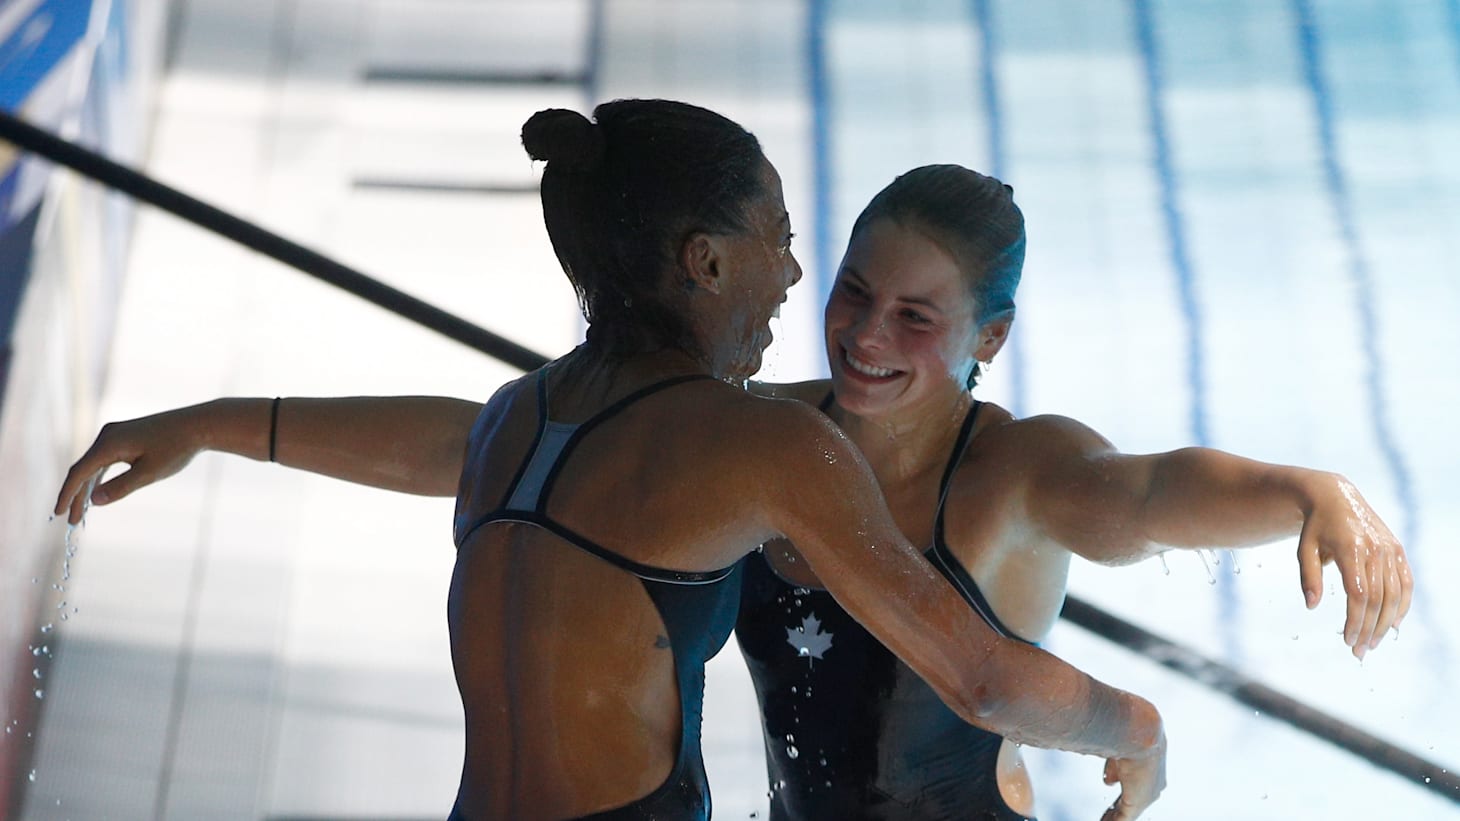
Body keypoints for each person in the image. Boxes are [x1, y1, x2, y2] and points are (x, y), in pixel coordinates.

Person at [55, 107, 1170, 820]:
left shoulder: (523, 418)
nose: (792, 276)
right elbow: (979, 678)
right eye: (781, 240)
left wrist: (210, 420)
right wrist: (1137, 728)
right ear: (706, 262)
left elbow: (439, 440)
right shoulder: (764, 445)